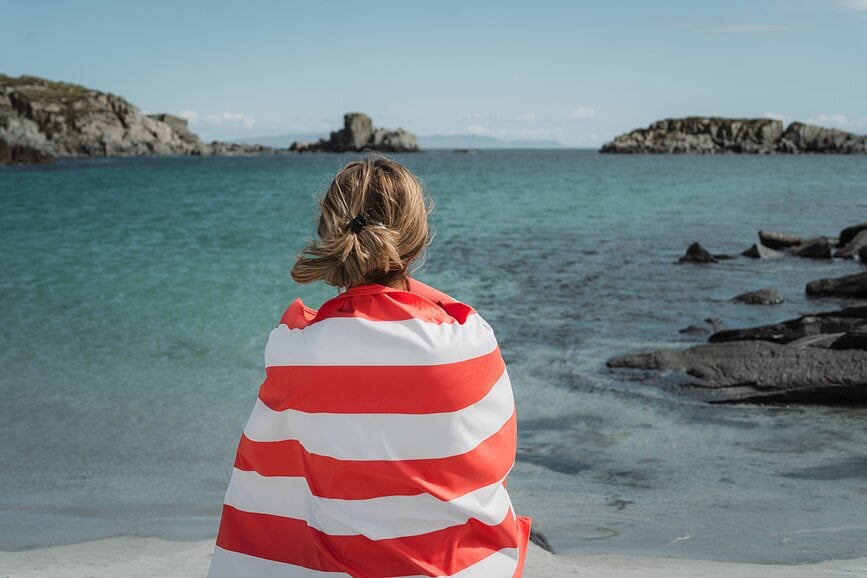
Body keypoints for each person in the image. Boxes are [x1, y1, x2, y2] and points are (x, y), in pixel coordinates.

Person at [208, 157, 531, 577]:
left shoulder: (294, 351)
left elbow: (306, 319)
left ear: (331, 232)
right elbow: (495, 460)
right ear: (416, 241)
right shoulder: (468, 342)